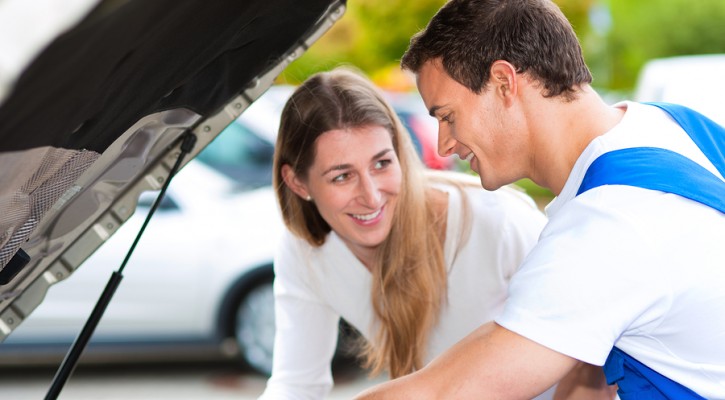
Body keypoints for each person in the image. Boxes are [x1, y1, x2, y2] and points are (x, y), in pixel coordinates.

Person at [355, 0, 725, 399]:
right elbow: (589, 374)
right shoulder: (671, 124)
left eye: (447, 116)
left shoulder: (606, 226)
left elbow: (446, 393)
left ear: (503, 82)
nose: (444, 145)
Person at [257, 67, 562, 399]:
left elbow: (588, 349)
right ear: (298, 183)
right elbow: (297, 386)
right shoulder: (304, 253)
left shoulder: (496, 221)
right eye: (342, 176)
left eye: (381, 163)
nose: (372, 196)